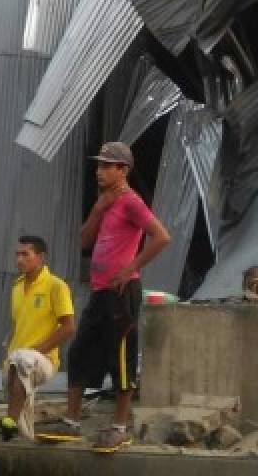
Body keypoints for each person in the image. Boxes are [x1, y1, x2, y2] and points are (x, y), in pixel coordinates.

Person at [37, 142, 170, 453]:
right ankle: (71, 421)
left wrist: (130, 268)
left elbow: (162, 236)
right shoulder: (107, 202)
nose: (99, 172)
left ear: (122, 170)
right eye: (99, 166)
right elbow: (84, 240)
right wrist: (98, 208)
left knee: (121, 359)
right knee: (80, 351)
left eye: (106, 166)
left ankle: (119, 427)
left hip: (122, 293)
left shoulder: (131, 202)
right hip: (100, 291)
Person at [0, 236, 75, 441]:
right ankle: (20, 441)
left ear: (41, 257)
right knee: (22, 422)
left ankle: (9, 420)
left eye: (25, 254)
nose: (19, 259)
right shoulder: (16, 287)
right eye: (17, 254)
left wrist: (37, 350)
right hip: (17, 361)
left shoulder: (56, 286)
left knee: (23, 360)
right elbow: (17, 327)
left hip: (43, 359)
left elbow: (68, 328)